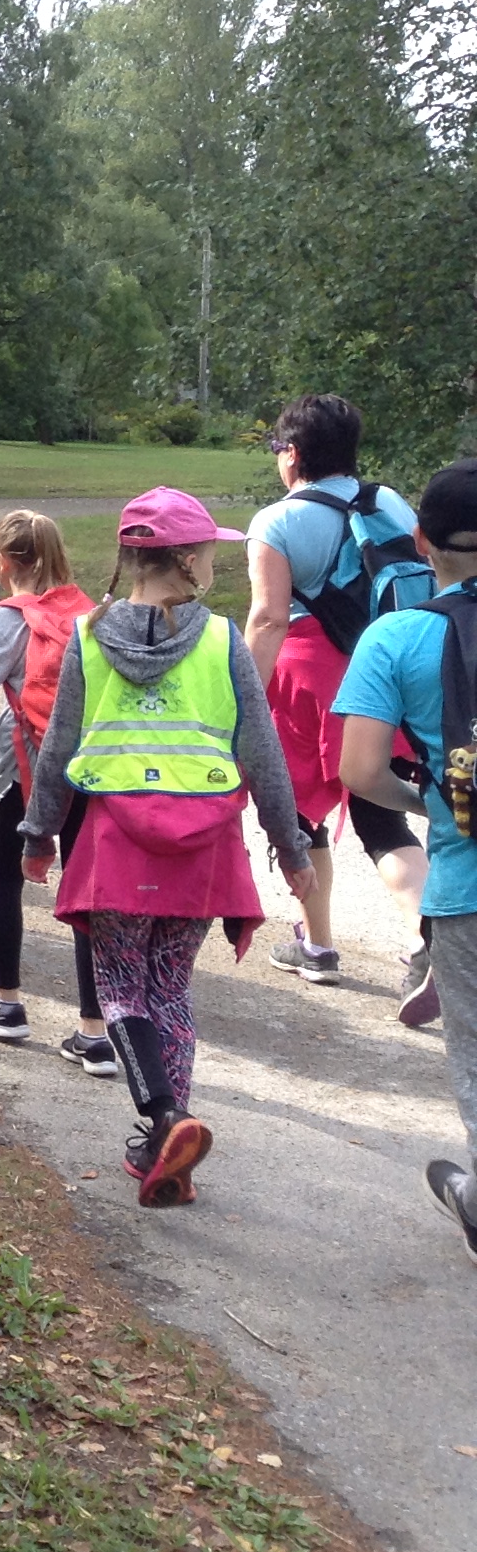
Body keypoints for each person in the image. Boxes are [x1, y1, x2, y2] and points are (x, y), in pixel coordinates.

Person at [20, 488, 316, 1208]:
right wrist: (292, 848)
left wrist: (38, 832)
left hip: (116, 840)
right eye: (208, 550)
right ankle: (166, 1148)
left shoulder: (89, 636)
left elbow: (60, 744)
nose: (214, 561)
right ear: (184, 558)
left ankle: (163, 1119)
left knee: (122, 987)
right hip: (203, 844)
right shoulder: (221, 641)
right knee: (171, 986)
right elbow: (261, 749)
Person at [333, 460, 477, 1259]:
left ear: (421, 541)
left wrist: (433, 801)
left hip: (467, 885)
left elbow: (360, 772)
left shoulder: (396, 635)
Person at [246, 393, 431, 988]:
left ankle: (318, 946)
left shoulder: (277, 521)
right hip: (388, 674)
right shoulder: (390, 503)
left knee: (300, 818)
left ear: (292, 454)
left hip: (309, 684)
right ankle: (429, 938)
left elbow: (269, 619)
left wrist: (242, 696)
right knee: (384, 820)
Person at [0, 510, 115, 1073]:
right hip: (86, 768)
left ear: (2, 562)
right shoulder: (91, 615)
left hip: (22, 765)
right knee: (84, 890)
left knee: (4, 878)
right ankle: (94, 1031)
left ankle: (6, 1003)